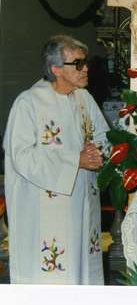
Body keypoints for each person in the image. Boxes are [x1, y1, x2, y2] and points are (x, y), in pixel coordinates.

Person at [3, 35, 109, 284]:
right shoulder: (28, 103)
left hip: (83, 205)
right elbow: (22, 157)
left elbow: (104, 135)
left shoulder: (84, 99)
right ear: (55, 69)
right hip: (46, 211)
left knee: (82, 273)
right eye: (78, 64)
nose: (85, 69)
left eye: (86, 63)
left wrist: (99, 152)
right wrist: (76, 160)